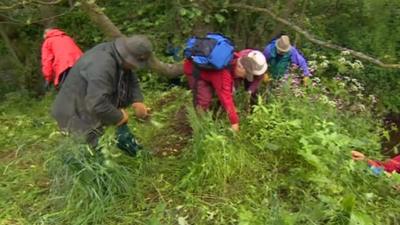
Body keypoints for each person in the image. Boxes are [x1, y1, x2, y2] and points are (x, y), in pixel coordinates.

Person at [51, 35, 152, 156]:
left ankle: (130, 148)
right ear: (127, 57)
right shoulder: (103, 64)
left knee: (110, 134)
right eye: (135, 63)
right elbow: (97, 104)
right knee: (90, 156)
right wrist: (119, 117)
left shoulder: (118, 57)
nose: (135, 66)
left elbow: (131, 78)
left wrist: (137, 101)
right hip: (74, 111)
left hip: (91, 103)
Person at [183, 49, 267, 132]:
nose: (244, 78)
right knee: (203, 101)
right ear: (240, 68)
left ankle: (212, 115)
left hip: (209, 74)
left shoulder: (236, 59)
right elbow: (226, 99)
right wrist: (234, 122)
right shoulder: (223, 75)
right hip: (194, 70)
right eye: (245, 74)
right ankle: (198, 127)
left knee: (213, 95)